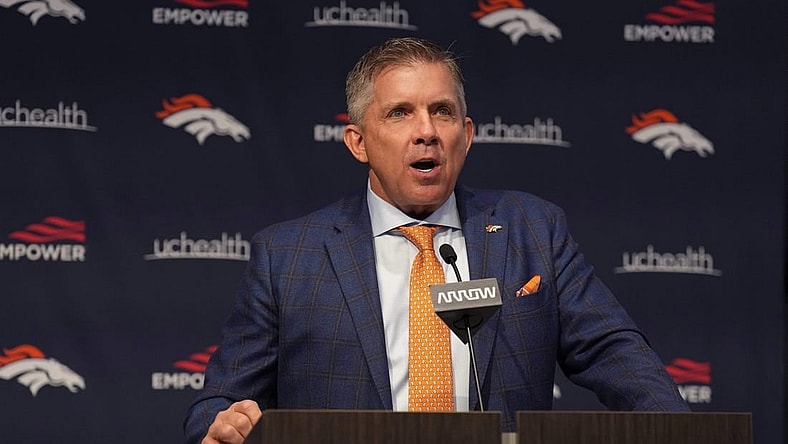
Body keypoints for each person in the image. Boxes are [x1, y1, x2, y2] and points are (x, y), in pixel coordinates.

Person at [184, 36, 689, 444]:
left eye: (442, 112)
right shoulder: (287, 256)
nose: (426, 131)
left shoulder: (529, 228)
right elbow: (217, 403)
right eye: (400, 113)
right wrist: (221, 425)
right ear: (358, 142)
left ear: (465, 135)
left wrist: (679, 429)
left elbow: (610, 348)